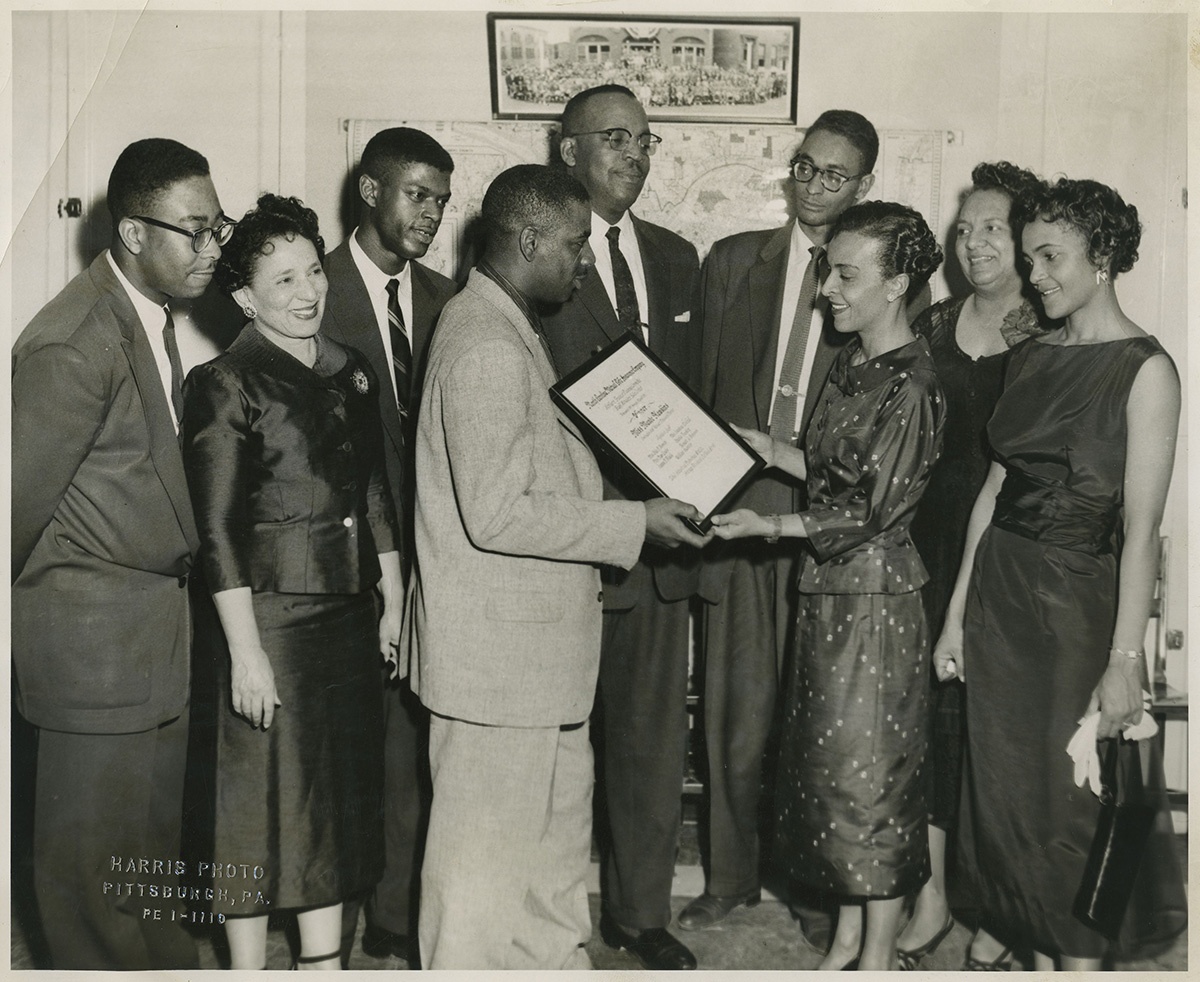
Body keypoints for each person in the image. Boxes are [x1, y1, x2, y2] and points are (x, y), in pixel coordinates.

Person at [410, 163, 710, 970]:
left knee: (547, 862)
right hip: (499, 669)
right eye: (575, 245)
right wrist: (633, 522)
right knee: (477, 880)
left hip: (536, 663)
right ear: (529, 238)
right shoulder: (484, 343)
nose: (584, 261)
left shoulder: (506, 325)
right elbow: (497, 511)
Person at [689, 109, 929, 945]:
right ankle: (726, 877)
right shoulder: (730, 263)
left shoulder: (886, 291)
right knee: (734, 706)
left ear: (864, 186)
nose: (813, 184)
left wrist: (785, 506)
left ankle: (819, 892)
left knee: (829, 728)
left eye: (835, 175)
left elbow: (878, 474)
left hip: (827, 533)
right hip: (736, 506)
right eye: (804, 166)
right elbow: (701, 389)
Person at [933, 177, 1182, 970]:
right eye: (1029, 253)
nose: (1033, 273)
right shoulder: (1031, 355)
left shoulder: (1145, 370)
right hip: (999, 599)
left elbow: (1140, 530)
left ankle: (1077, 956)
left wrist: (1124, 661)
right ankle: (1033, 939)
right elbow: (993, 492)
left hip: (1075, 606)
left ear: (1102, 258)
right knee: (1005, 792)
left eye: (1051, 256)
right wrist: (956, 617)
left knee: (1075, 796)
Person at [11, 138, 228, 970]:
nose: (214, 247)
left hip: (151, 647)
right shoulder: (73, 341)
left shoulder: (149, 320)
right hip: (91, 656)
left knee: (145, 875)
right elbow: (12, 516)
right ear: (134, 234)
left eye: (219, 227)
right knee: (92, 895)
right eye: (196, 230)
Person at [181, 193, 403, 971]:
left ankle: (322, 964)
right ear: (244, 296)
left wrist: (392, 597)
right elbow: (216, 532)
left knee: (333, 804)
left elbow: (373, 490)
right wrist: (245, 653)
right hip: (267, 621)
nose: (308, 291)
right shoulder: (225, 380)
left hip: (346, 618)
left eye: (313, 270)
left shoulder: (353, 371)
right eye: (283, 281)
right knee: (254, 805)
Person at [541, 83, 701, 972]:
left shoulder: (680, 259)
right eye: (613, 138)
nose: (633, 155)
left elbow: (699, 401)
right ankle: (554, 912)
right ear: (567, 151)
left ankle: (640, 915)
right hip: (570, 546)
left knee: (648, 744)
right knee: (562, 754)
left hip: (664, 550)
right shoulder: (535, 257)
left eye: (646, 140)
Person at [896, 160, 1048, 971]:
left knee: (1000, 739)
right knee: (929, 732)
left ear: (1027, 239)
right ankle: (933, 896)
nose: (974, 241)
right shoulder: (932, 323)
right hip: (928, 549)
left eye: (993, 226)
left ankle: (1002, 907)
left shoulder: (1049, 327)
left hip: (1010, 557)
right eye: (965, 228)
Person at [320, 125, 457, 968]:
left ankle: (398, 920)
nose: (433, 214)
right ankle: (328, 918)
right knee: (341, 750)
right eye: (418, 194)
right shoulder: (307, 288)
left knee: (412, 745)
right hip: (335, 566)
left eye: (441, 199)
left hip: (433, 558)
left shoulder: (450, 296)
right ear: (370, 192)